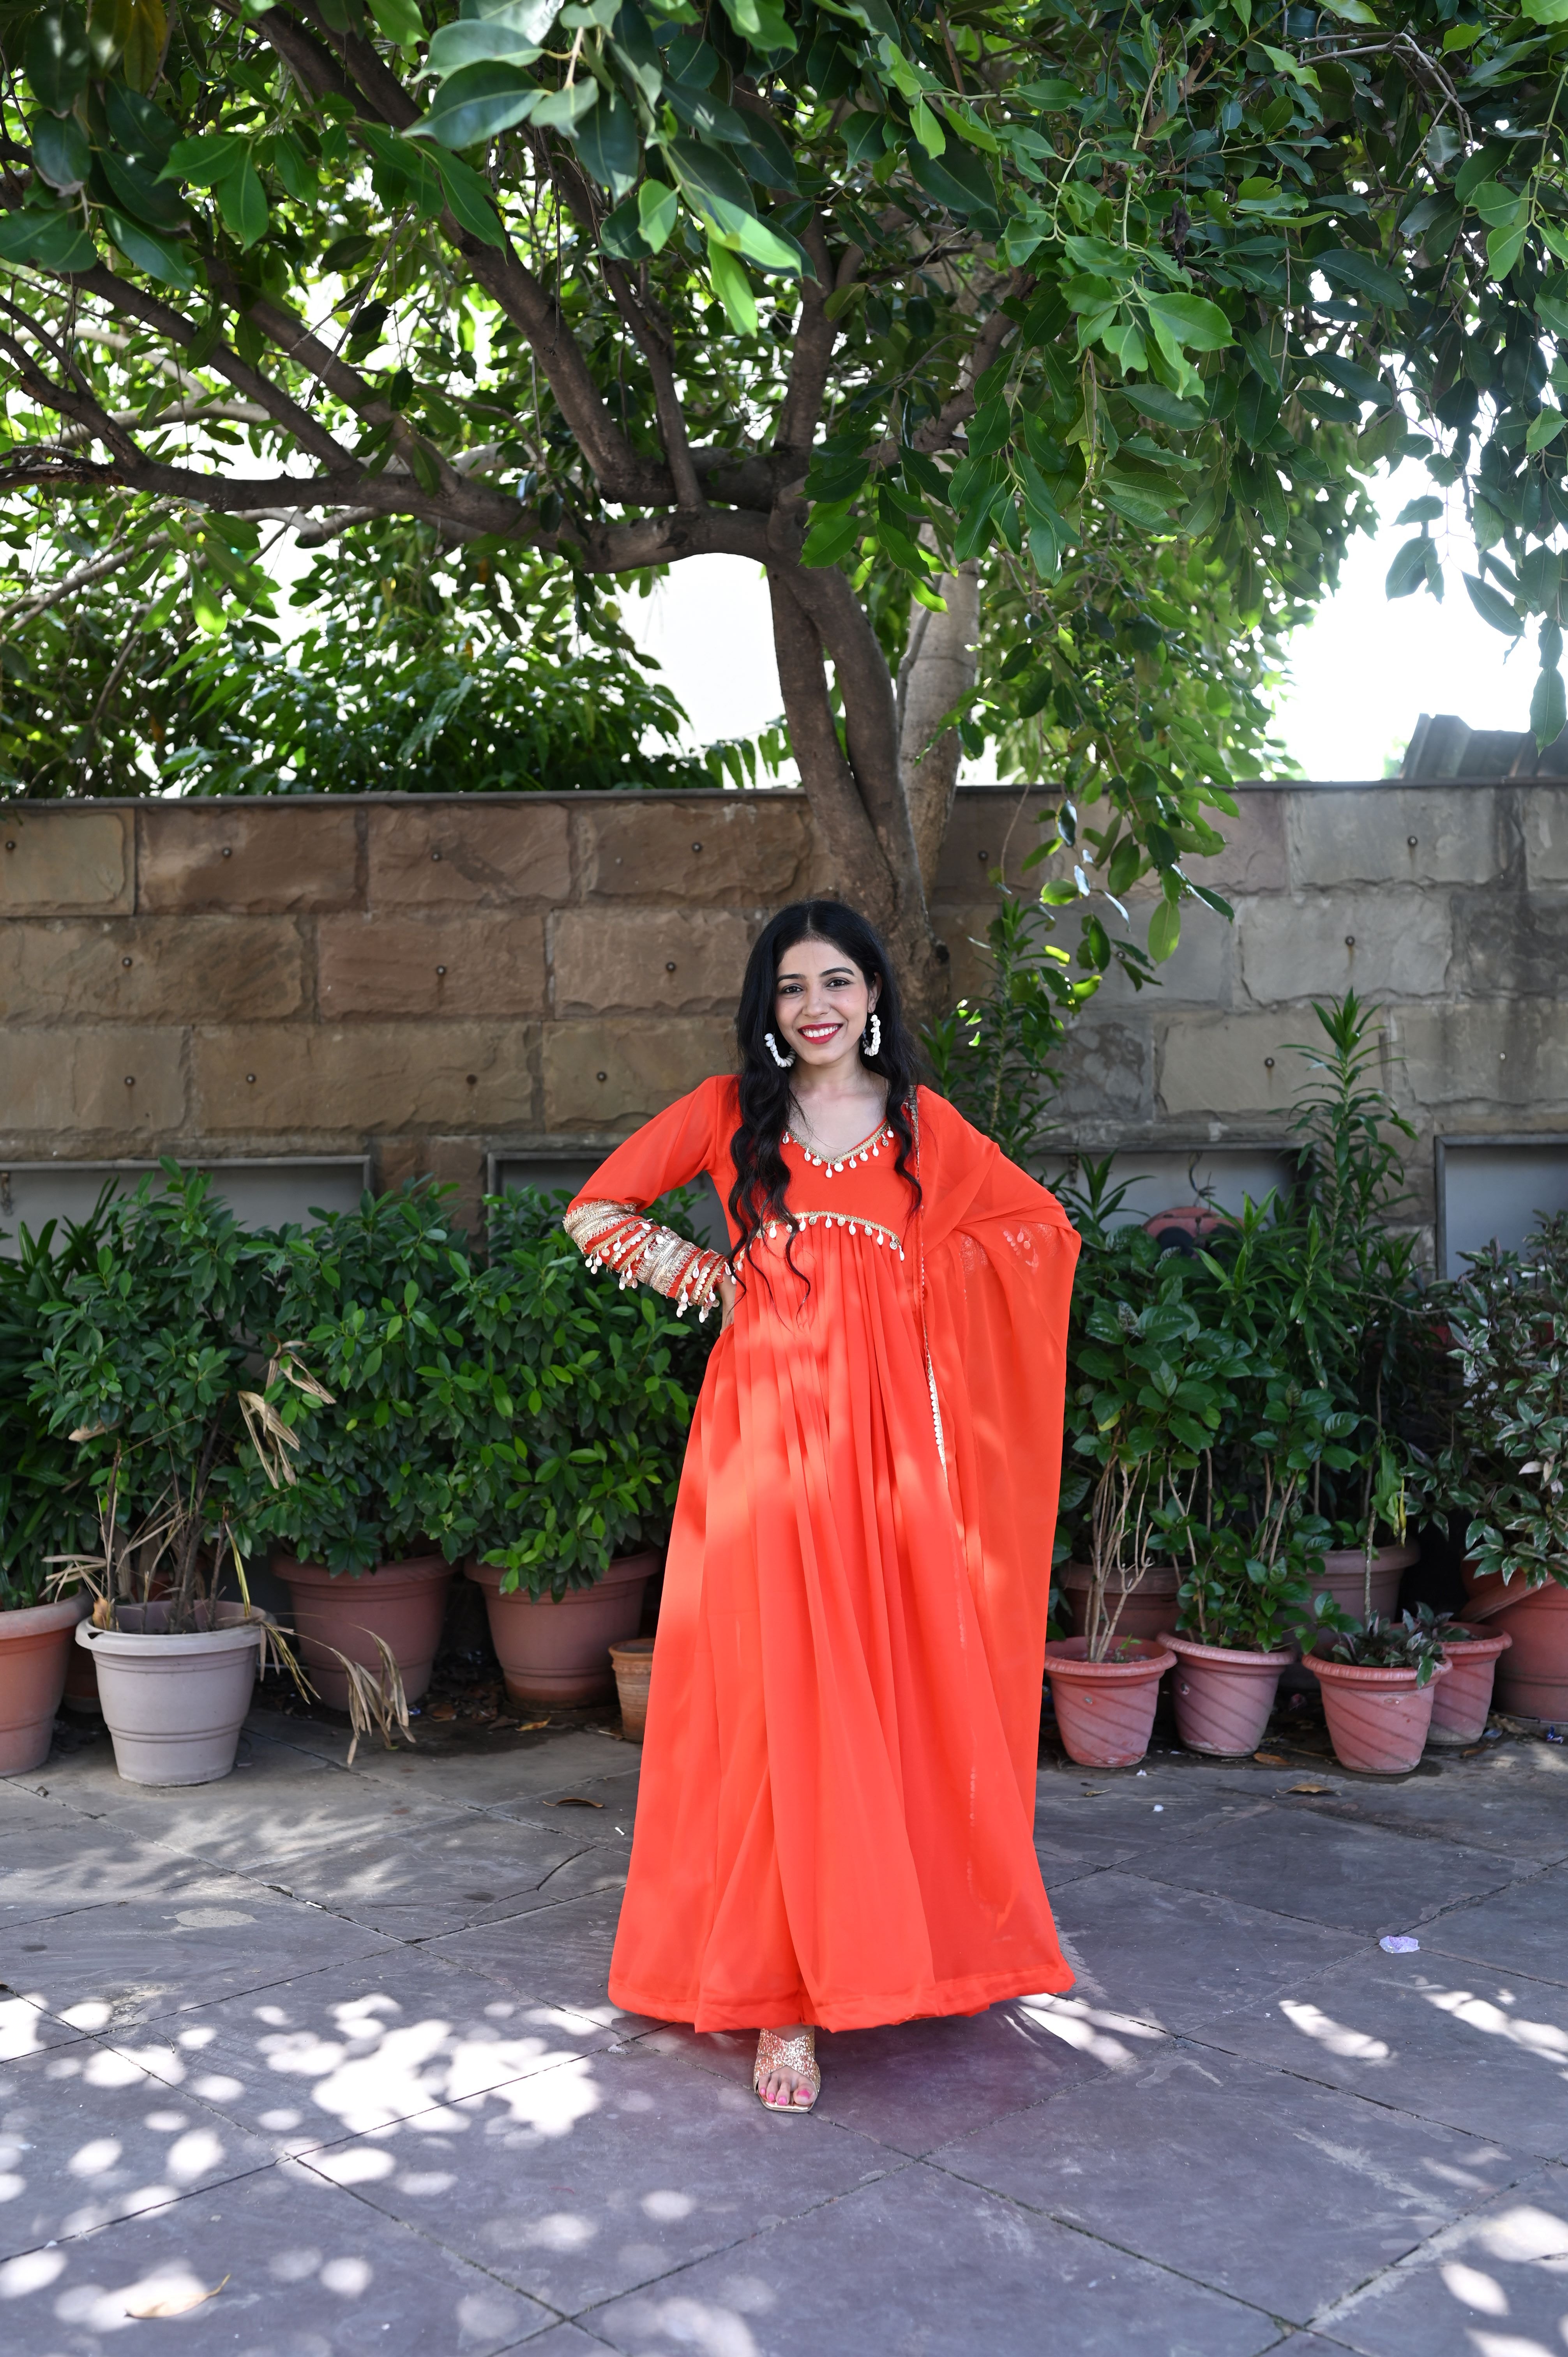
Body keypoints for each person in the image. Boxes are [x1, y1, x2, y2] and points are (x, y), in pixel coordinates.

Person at [563, 900, 1079, 2112]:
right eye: (792, 988)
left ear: (875, 998)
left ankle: (897, 1950)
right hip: (763, 1438)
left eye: (837, 982)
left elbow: (1038, 1235)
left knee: (887, 1692)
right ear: (768, 1009)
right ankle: (781, 2000)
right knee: (778, 1696)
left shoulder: (923, 1127)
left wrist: (924, 1308)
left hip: (893, 1457)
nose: (816, 1007)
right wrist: (704, 1273)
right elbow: (594, 1209)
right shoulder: (725, 1115)